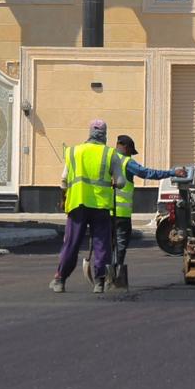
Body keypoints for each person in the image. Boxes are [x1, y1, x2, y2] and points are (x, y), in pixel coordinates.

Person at [50, 119, 126, 294]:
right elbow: (121, 182)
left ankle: (60, 280)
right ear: (105, 135)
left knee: (71, 243)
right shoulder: (110, 154)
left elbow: (63, 182)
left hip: (78, 203)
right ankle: (99, 282)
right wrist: (115, 184)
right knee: (102, 244)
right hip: (101, 206)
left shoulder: (74, 152)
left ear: (89, 132)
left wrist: (64, 199)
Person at [112, 134, 187, 272]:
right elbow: (147, 173)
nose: (131, 155)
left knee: (106, 244)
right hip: (120, 212)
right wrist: (172, 173)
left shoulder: (106, 158)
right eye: (131, 152)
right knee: (120, 242)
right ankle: (116, 273)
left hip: (102, 209)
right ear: (126, 147)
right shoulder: (126, 162)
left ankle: (102, 275)